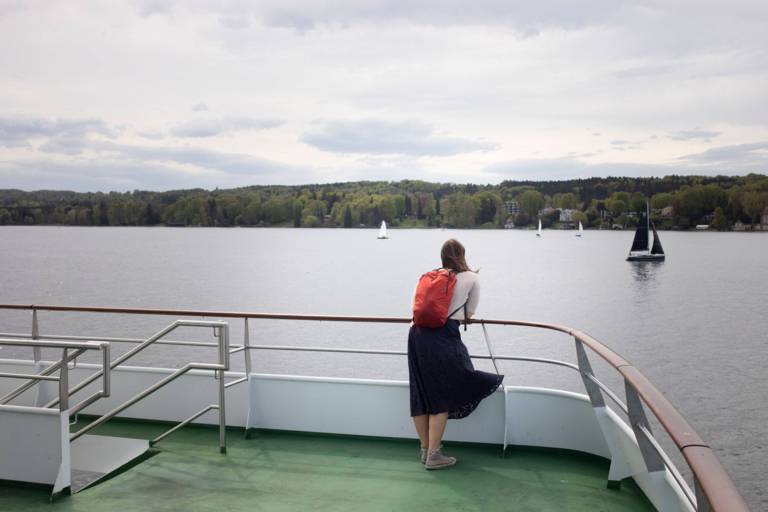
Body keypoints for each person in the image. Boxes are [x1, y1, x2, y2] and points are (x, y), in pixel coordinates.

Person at [408, 239, 504, 470]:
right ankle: (434, 455)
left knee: (421, 393)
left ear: (442, 256)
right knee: (443, 393)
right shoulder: (471, 278)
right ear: (462, 255)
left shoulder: (428, 276)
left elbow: (415, 307)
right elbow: (470, 312)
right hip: (444, 335)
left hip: (417, 335)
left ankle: (425, 451)